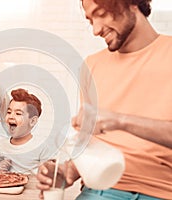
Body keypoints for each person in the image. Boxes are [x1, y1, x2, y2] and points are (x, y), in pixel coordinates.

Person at [37, 0, 172, 199]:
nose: (96, 30)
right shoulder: (91, 66)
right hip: (99, 192)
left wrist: (119, 121)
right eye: (91, 21)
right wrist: (66, 173)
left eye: (100, 13)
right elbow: (90, 147)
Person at [0, 88, 51, 174]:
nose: (11, 116)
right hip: (8, 185)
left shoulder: (41, 147)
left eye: (18, 113)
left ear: (32, 121)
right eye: (9, 112)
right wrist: (0, 169)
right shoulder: (2, 145)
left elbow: (48, 176)